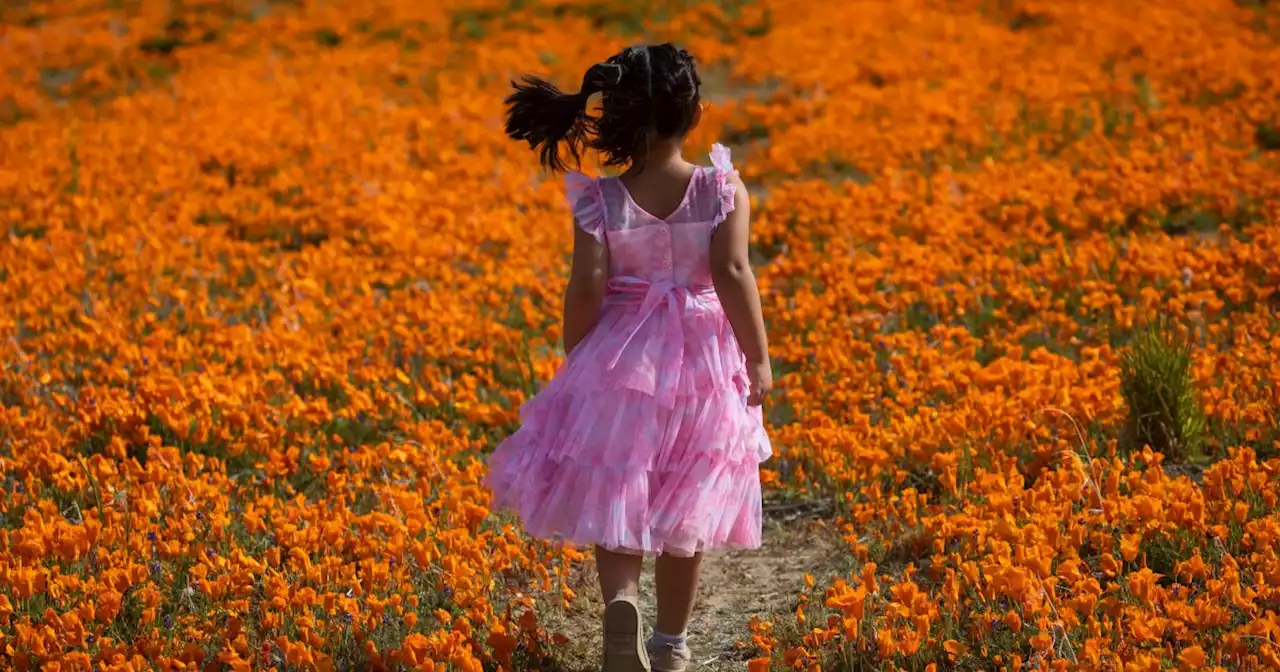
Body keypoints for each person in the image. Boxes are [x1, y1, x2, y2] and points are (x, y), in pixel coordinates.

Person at [486, 43, 773, 672]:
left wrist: (580, 356)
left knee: (618, 483)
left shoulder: (601, 200)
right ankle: (671, 644)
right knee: (688, 497)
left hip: (622, 356)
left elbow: (587, 283)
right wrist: (758, 357)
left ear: (618, 116)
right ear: (693, 112)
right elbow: (731, 271)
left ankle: (621, 603)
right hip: (700, 360)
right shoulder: (721, 189)